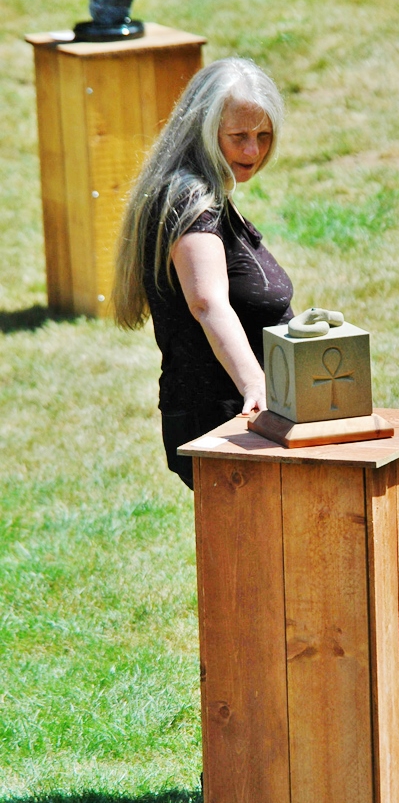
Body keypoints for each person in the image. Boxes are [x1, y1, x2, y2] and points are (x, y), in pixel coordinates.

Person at [113, 58, 294, 489]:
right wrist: (258, 388)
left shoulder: (201, 191)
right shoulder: (190, 198)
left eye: (263, 136)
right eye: (239, 137)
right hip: (225, 418)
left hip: (241, 417)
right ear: (204, 129)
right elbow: (206, 300)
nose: (253, 151)